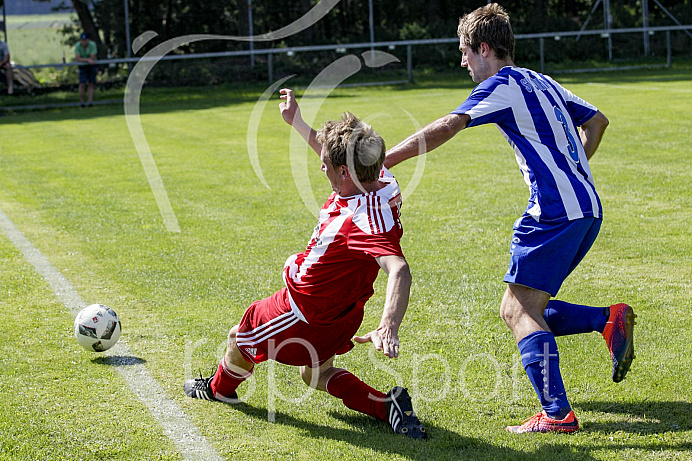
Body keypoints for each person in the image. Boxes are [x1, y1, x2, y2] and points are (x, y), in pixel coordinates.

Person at [384, 3, 635, 434]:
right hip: (587, 210)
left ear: (484, 48)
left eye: (465, 52)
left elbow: (448, 124)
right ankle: (605, 320)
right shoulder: (544, 81)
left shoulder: (503, 84)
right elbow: (598, 122)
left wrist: (385, 162)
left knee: (519, 311)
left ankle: (557, 414)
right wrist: (575, 170)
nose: (462, 61)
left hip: (554, 213)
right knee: (524, 306)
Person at [183, 88, 426, 440]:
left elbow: (399, 269)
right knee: (314, 373)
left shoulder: (358, 220)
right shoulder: (380, 181)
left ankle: (220, 389)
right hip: (343, 312)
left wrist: (389, 325)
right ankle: (386, 406)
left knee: (240, 336)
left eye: (327, 164)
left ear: (344, 172)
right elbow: (336, 156)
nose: (320, 165)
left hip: (301, 312)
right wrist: (297, 122)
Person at [74, 32, 97, 107]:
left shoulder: (92, 44)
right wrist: (87, 60)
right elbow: (77, 58)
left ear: (88, 40)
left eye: (85, 40)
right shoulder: (78, 45)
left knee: (91, 84)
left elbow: (92, 57)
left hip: (91, 66)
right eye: (82, 40)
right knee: (82, 84)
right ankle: (82, 103)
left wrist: (85, 59)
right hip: (82, 66)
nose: (84, 42)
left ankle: (90, 102)